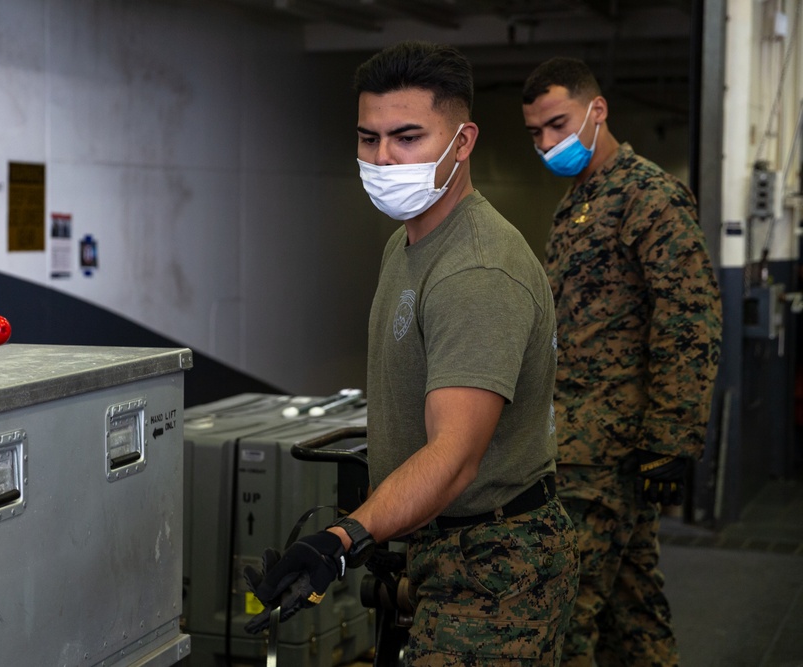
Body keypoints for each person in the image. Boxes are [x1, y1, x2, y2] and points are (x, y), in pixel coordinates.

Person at [244, 41, 579, 665]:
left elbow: (454, 457)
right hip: (437, 551)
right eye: (369, 139)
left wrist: (342, 538)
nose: (383, 158)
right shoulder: (406, 246)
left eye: (407, 136)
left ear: (463, 141)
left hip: (495, 567)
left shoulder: (475, 269)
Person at [521, 57, 722, 666]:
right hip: (581, 438)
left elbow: (690, 315)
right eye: (536, 133)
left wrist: (672, 438)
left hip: (609, 447)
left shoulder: (648, 195)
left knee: (565, 615)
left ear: (596, 110)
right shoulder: (581, 198)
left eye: (557, 124)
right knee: (632, 614)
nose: (548, 143)